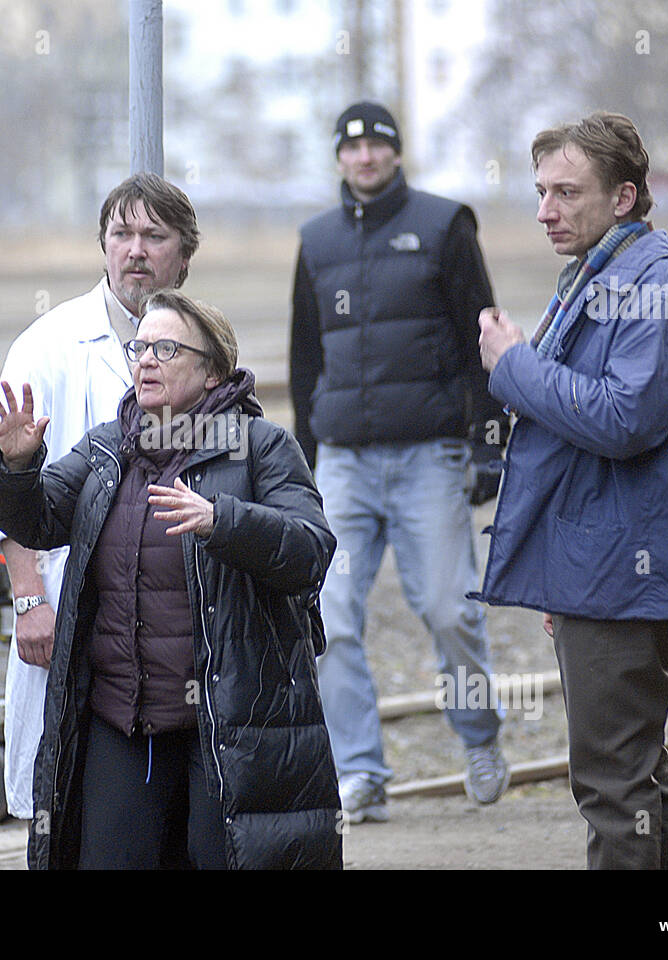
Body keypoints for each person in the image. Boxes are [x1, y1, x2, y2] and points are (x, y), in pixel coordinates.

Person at [0, 289, 341, 869]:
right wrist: (14, 466)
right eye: (139, 347)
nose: (145, 359)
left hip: (227, 721)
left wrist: (224, 521)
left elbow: (310, 550)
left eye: (165, 348)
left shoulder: (260, 446)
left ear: (212, 367)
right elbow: (36, 520)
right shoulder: (107, 449)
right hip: (124, 717)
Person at [476, 112, 668, 869]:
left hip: (626, 571)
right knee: (640, 776)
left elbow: (624, 420)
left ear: (624, 197)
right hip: (606, 566)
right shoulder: (605, 273)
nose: (547, 211)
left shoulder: (654, 286)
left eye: (566, 193)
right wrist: (561, 574)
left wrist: (513, 365)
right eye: (541, 192)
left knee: (614, 789)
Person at [289, 101, 510, 818]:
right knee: (330, 619)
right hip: (345, 464)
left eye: (376, 146)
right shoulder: (316, 241)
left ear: (395, 151)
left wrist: (488, 442)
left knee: (449, 609)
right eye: (350, 149)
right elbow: (305, 357)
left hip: (428, 458)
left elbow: (484, 337)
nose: (364, 158)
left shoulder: (445, 225)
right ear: (338, 159)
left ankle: (479, 736)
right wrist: (305, 458)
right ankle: (361, 773)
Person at [0, 173, 199, 822]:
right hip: (66, 600)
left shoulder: (201, 347)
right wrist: (28, 600)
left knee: (149, 794)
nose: (135, 249)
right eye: (121, 234)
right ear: (103, 245)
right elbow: (9, 492)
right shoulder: (48, 345)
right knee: (59, 791)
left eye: (153, 236)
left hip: (162, 610)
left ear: (184, 256)